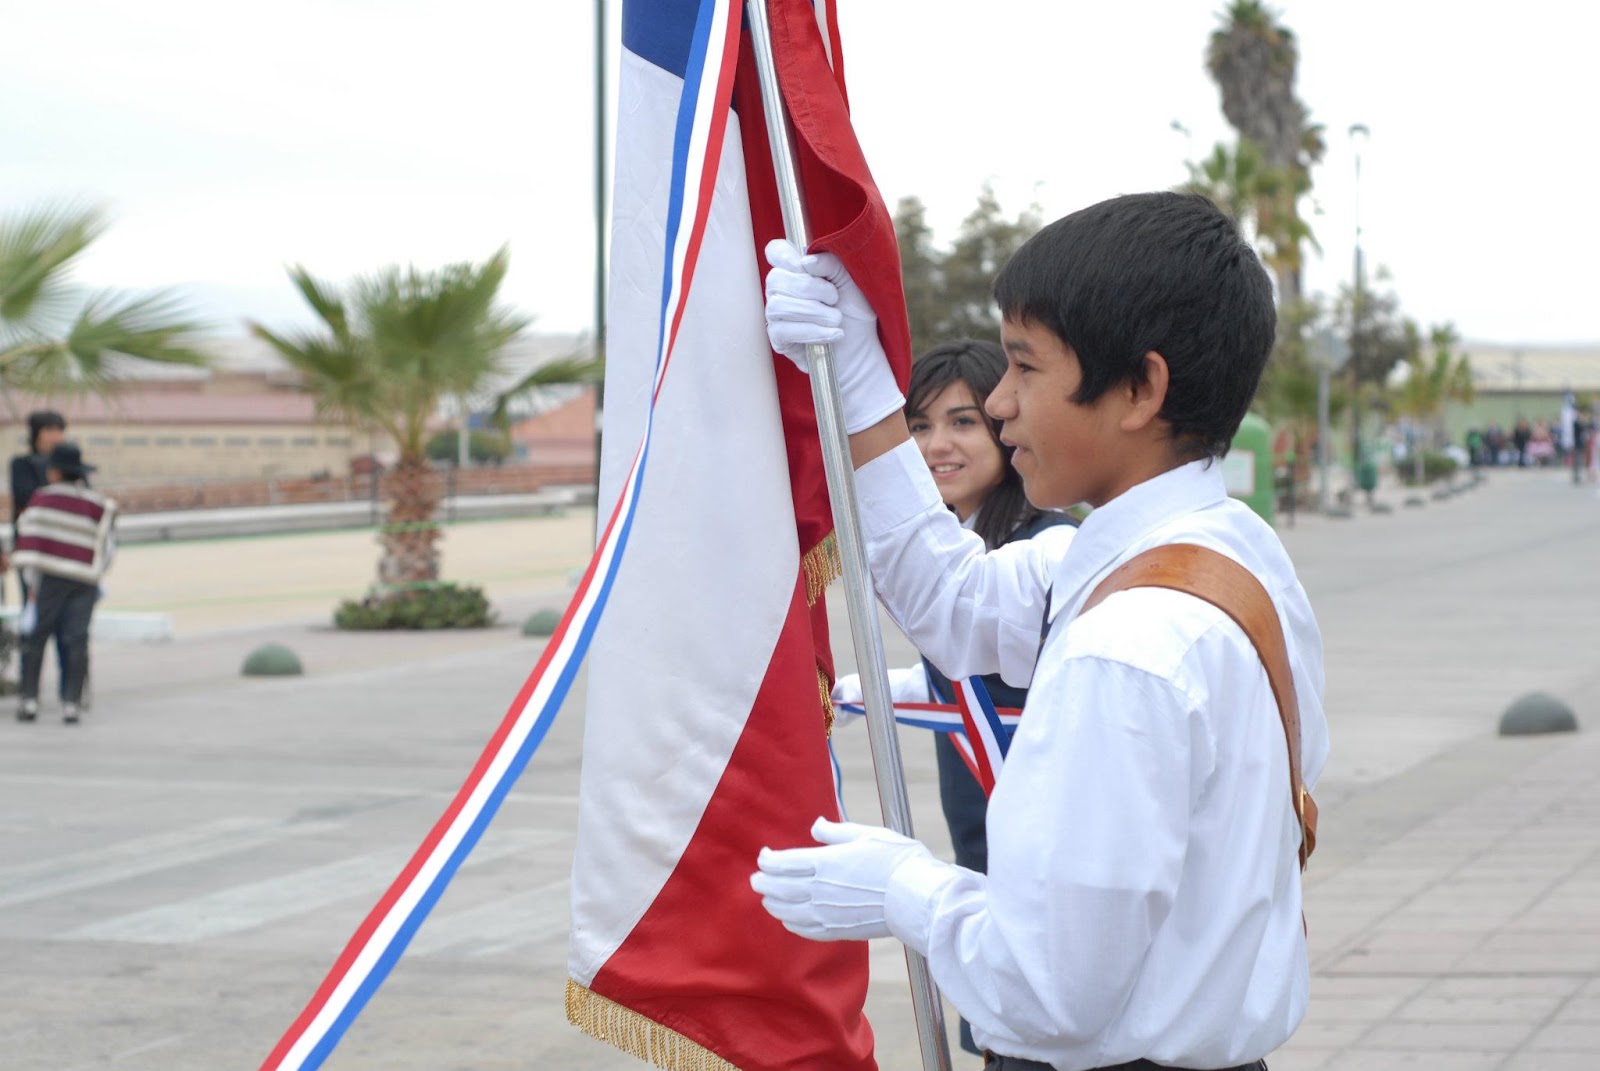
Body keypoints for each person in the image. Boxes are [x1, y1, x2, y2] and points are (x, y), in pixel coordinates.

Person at [752, 191, 1329, 1071]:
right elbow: (954, 599)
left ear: (1140, 389)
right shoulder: (1228, 551)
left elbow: (1047, 988)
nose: (999, 402)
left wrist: (907, 889)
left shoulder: (1129, 643)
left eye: (1025, 366)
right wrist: (859, 376)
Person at [830, 339, 1076, 1057]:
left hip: (1046, 870)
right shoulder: (965, 541)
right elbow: (957, 687)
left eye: (963, 422)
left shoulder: (1050, 550)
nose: (936, 445)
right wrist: (850, 693)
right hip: (981, 850)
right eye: (918, 425)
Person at [13, 442, 116, 724]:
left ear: (55, 472)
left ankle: (30, 700)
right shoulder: (97, 504)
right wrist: (94, 572)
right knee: (76, 639)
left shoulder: (42, 499)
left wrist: (32, 584)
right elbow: (107, 547)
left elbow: (30, 540)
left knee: (37, 637)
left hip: (50, 580)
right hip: (84, 581)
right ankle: (71, 703)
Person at [10, 410, 74, 692]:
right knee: (34, 620)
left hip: (66, 554)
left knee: (68, 624)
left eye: (59, 430)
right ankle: (29, 689)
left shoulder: (71, 465)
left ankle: (70, 688)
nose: (56, 436)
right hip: (34, 555)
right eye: (50, 430)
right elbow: (26, 499)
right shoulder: (22, 464)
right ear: (37, 433)